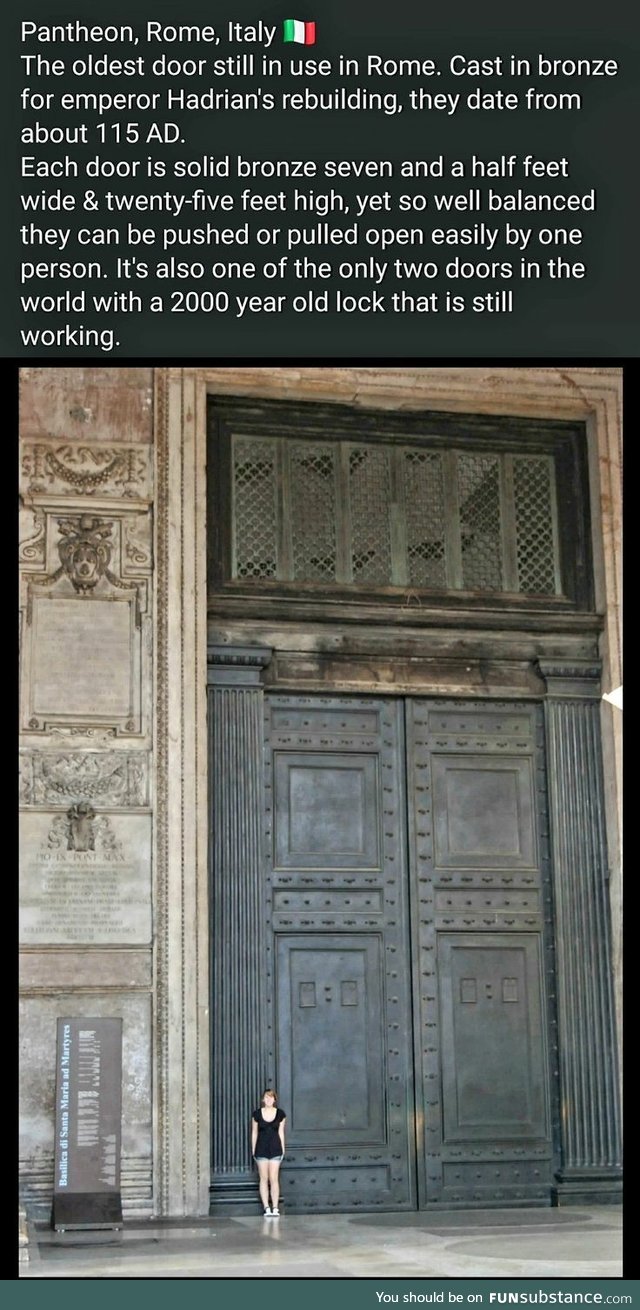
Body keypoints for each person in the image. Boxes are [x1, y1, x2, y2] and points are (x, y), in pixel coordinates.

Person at [251, 1088, 286, 1216]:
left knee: (274, 1178)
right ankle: (266, 1207)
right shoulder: (257, 1115)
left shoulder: (281, 1114)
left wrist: (283, 1149)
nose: (268, 1099)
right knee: (264, 1178)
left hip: (275, 1148)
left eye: (271, 1097)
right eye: (266, 1097)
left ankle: (275, 1207)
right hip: (261, 1148)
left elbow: (281, 1132)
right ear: (263, 1099)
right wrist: (253, 1149)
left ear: (274, 1100)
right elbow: (254, 1133)